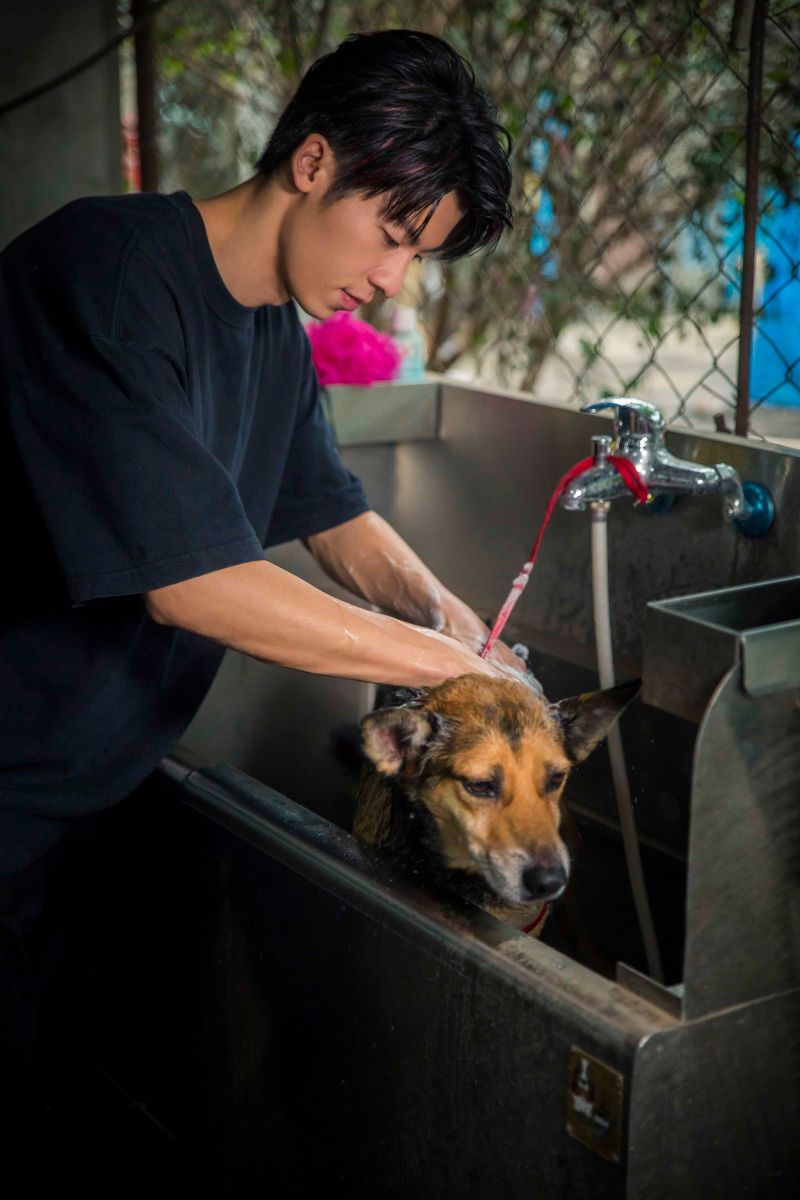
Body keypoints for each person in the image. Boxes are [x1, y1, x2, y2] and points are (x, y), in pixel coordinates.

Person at [0, 27, 516, 1153]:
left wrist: (435, 608)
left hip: (96, 784)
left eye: (415, 258)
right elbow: (193, 588)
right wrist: (446, 670)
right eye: (391, 236)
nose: (389, 284)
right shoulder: (105, 275)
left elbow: (323, 506)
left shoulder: (273, 328)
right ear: (313, 162)